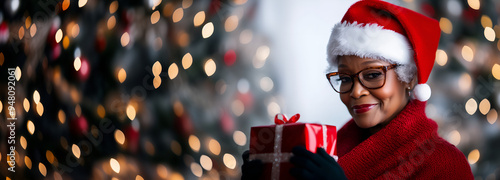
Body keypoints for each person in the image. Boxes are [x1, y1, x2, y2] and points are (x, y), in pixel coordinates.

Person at [242, 0, 475, 179]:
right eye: (345, 78)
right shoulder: (330, 152)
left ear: (409, 77)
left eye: (373, 75)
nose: (355, 92)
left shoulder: (445, 164)